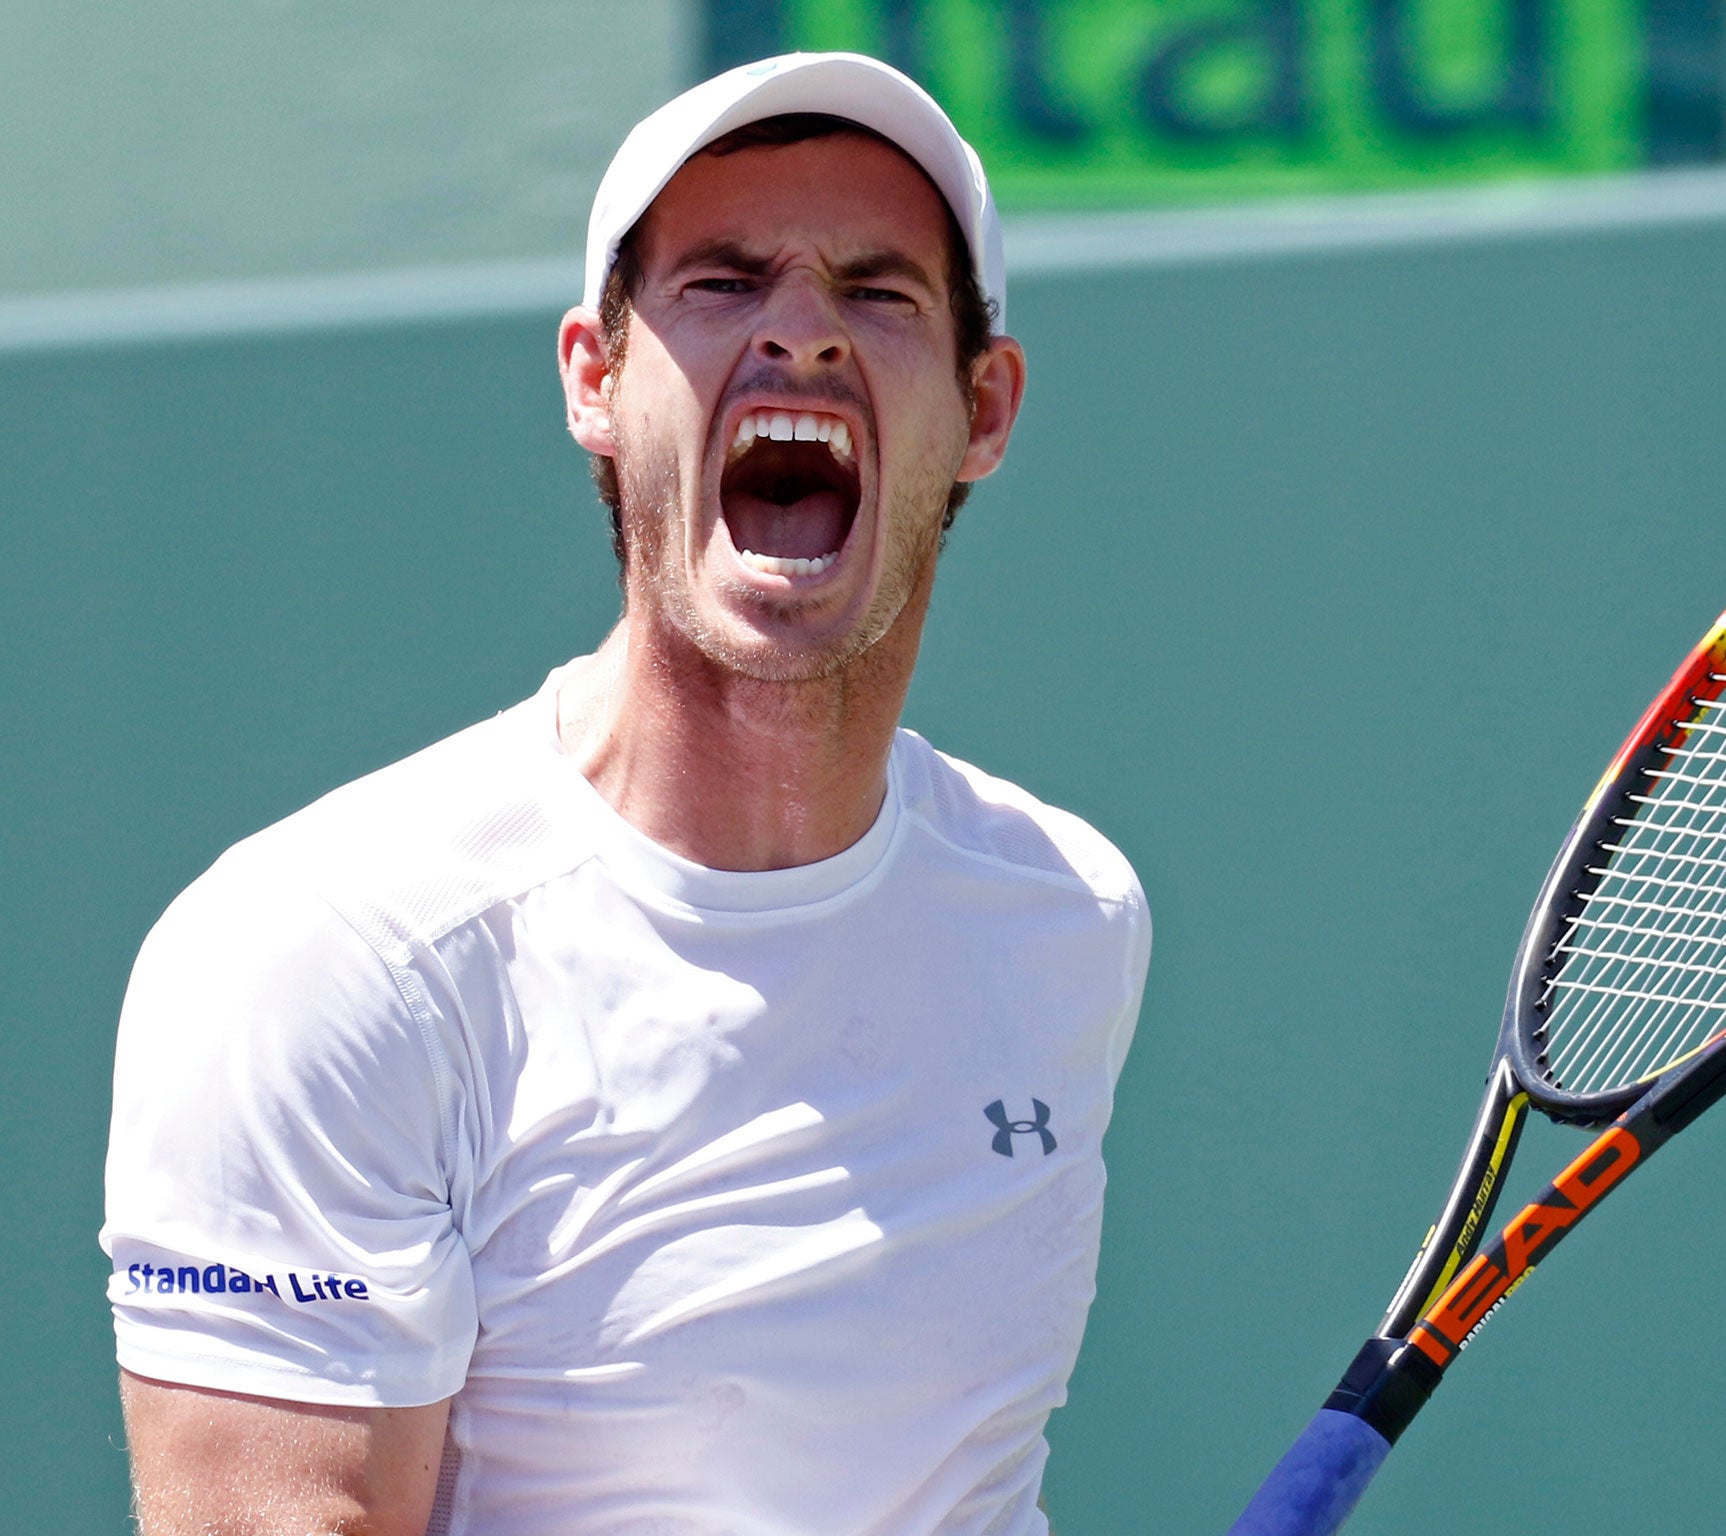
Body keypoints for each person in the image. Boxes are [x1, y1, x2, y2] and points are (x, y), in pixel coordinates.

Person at [102, 52, 1150, 1536]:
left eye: (878, 292)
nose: (802, 331)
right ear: (596, 380)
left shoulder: (1068, 917)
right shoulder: (321, 956)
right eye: (724, 283)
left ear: (986, 409)